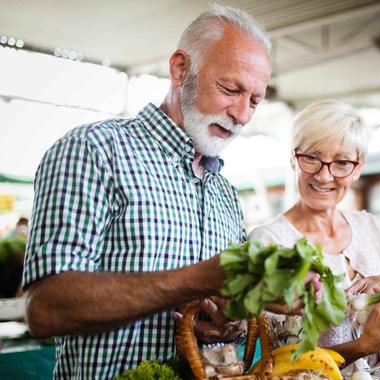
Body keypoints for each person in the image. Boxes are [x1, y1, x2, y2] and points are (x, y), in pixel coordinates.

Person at [21, 6, 297, 379]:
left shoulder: (225, 194)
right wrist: (198, 278)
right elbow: (46, 308)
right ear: (180, 69)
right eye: (231, 90)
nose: (243, 115)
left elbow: (221, 314)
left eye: (254, 100)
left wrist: (227, 323)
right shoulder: (95, 150)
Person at [249, 101, 380, 373]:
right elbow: (278, 361)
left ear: (358, 168)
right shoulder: (269, 242)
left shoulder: (368, 228)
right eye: (312, 157)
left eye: (341, 162)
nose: (325, 175)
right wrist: (362, 346)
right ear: (294, 158)